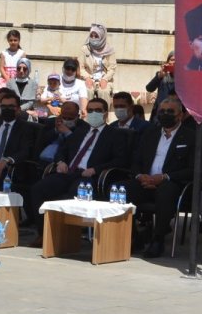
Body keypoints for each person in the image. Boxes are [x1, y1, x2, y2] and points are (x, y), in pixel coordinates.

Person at [24, 98, 129, 242]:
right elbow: (62, 150)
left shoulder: (114, 134)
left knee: (71, 193)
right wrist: (60, 162)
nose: (93, 113)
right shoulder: (80, 131)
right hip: (68, 172)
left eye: (98, 110)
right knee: (38, 189)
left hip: (89, 176)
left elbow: (120, 160)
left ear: (105, 114)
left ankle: (65, 237)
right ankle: (44, 234)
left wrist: (95, 169)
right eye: (90, 110)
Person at [119, 98, 197, 259]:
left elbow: (194, 169)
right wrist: (141, 176)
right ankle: (133, 236)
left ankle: (158, 239)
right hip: (145, 181)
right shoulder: (150, 133)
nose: (165, 115)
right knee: (121, 190)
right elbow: (136, 161)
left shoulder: (191, 136)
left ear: (180, 115)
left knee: (166, 192)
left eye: (170, 112)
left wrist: (164, 177)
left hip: (172, 183)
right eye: (162, 112)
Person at [79, 23, 116, 100]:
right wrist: (87, 78)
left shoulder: (109, 50)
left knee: (104, 92)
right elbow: (80, 67)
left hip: (105, 79)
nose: (93, 38)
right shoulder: (84, 49)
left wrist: (105, 79)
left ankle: (104, 112)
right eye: (91, 36)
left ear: (102, 36)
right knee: (87, 91)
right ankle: (85, 112)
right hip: (89, 79)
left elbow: (112, 69)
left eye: (96, 36)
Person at [145, 51, 176, 120]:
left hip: (175, 113)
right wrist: (159, 76)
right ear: (167, 62)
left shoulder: (184, 78)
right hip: (160, 112)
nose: (174, 62)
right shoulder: (161, 75)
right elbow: (149, 88)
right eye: (172, 60)